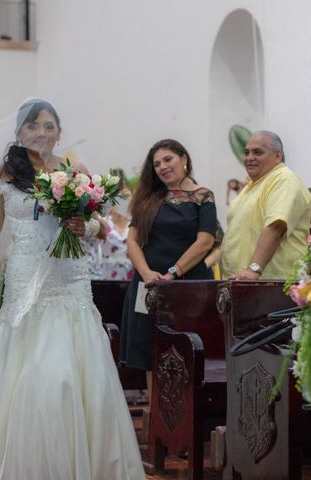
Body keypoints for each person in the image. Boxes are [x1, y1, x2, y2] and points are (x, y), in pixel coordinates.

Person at [0, 98, 144, 480]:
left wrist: (86, 226)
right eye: (34, 126)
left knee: (73, 357)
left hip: (70, 274)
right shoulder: (5, 173)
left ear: (59, 132)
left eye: (49, 127)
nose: (42, 134)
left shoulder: (74, 170)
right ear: (20, 132)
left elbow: (100, 224)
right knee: (27, 359)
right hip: (26, 269)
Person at [119, 139, 217, 405]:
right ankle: (157, 420)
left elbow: (205, 242)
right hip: (148, 284)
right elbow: (132, 242)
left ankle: (188, 419)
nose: (162, 167)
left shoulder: (203, 196)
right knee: (151, 350)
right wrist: (148, 273)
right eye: (157, 164)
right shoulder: (148, 198)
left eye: (168, 159)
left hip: (188, 284)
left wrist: (173, 273)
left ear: (183, 158)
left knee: (187, 349)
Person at [220, 131, 311, 280]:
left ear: (277, 156)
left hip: (271, 283)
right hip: (241, 283)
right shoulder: (251, 186)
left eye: (257, 152)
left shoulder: (284, 179)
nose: (249, 158)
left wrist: (254, 269)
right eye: (246, 152)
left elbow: (276, 226)